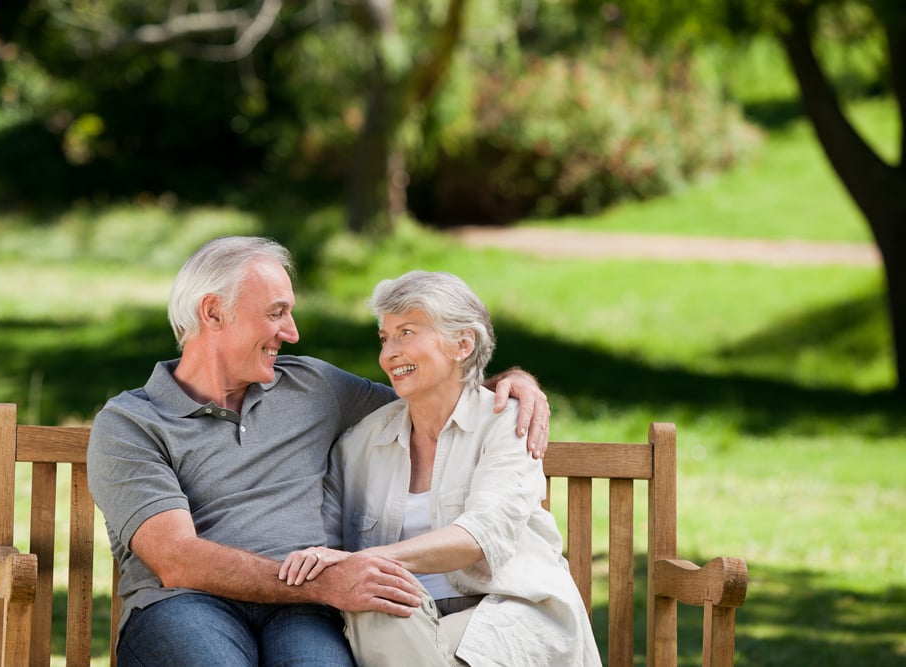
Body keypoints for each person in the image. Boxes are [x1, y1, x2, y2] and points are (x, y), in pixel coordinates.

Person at [86, 236, 552, 667]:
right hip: (185, 605)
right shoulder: (130, 424)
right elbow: (177, 559)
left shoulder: (312, 387)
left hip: (304, 609)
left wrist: (508, 383)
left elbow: (429, 392)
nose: (291, 332)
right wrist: (328, 581)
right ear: (212, 313)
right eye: (275, 313)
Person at [280, 270, 601, 666]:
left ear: (462, 344)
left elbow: (479, 536)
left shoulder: (506, 423)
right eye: (385, 338)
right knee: (375, 598)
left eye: (407, 333)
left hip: (509, 613)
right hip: (403, 623)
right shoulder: (361, 442)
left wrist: (363, 561)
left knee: (375, 583)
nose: (389, 353)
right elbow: (324, 545)